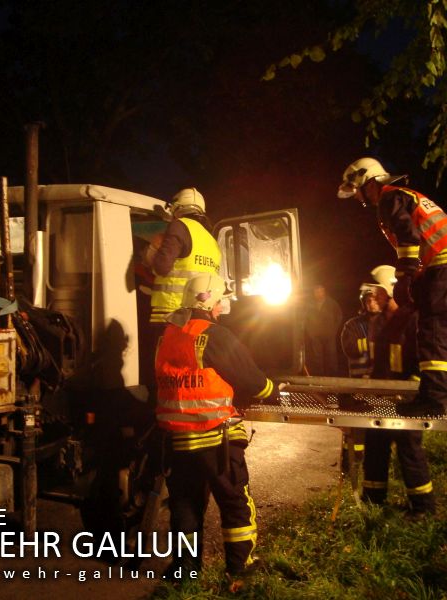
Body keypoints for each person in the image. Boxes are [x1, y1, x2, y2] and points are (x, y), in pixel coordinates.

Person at [155, 272, 277, 588]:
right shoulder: (214, 335)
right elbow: (252, 381)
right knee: (235, 502)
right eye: (221, 299)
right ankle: (240, 570)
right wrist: (269, 390)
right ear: (209, 300)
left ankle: (185, 572)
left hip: (177, 441)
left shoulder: (165, 336)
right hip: (216, 438)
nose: (223, 306)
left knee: (185, 506)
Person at [338, 157, 447, 416]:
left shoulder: (388, 199)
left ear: (367, 182)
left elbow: (408, 236)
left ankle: (435, 400)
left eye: (356, 191)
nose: (357, 198)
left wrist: (404, 277)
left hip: (443, 260)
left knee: (433, 331)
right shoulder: (404, 194)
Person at [340, 265, 436, 517]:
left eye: (379, 292)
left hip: (408, 399)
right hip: (385, 398)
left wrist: (412, 389)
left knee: (409, 449)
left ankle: (423, 509)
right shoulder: (383, 323)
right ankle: (374, 502)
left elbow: (422, 360)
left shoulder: (413, 319)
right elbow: (381, 365)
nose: (374, 298)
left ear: (390, 292)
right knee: (375, 443)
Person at [140, 187, 221, 385]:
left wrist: (153, 248)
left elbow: (162, 267)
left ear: (177, 208)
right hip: (199, 318)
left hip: (168, 314)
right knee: (184, 372)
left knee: (161, 372)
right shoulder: (211, 240)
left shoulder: (179, 226)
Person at [304, 283, 343, 376]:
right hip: (315, 336)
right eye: (316, 291)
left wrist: (334, 330)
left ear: (324, 291)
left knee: (331, 356)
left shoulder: (331, 303)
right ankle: (319, 376)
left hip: (329, 335)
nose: (318, 293)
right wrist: (310, 331)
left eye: (320, 290)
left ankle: (333, 376)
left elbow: (339, 316)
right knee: (317, 357)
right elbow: (305, 318)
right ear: (314, 293)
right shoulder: (310, 304)